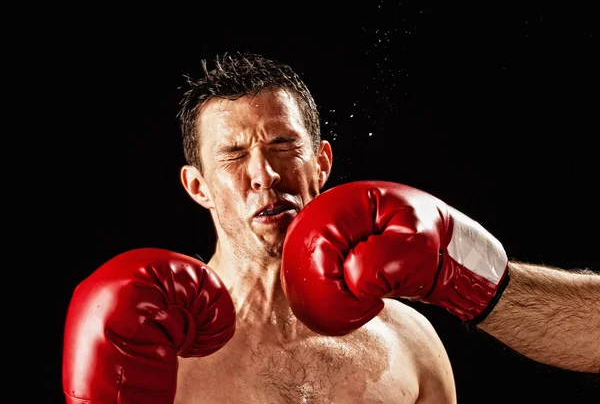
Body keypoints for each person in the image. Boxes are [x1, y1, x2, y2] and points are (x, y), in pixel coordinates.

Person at [62, 52, 599, 403]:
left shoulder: (410, 342)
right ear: (197, 186)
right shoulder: (148, 345)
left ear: (321, 163)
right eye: (233, 156)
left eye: (283, 147)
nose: (265, 175)